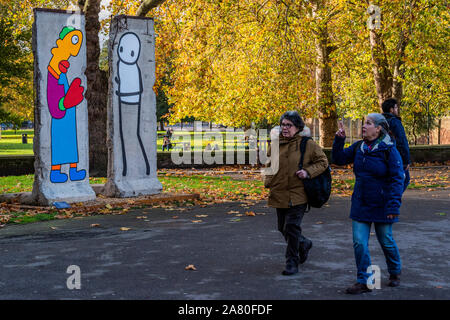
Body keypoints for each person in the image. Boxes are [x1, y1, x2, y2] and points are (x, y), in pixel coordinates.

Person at [332, 113, 404, 294]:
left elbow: (397, 179)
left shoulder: (389, 150)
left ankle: (395, 271)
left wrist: (393, 206)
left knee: (386, 241)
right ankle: (364, 281)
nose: (364, 126)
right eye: (364, 123)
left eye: (368, 123)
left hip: (382, 204)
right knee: (359, 243)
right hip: (361, 203)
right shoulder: (359, 147)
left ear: (378, 128)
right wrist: (339, 139)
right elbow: (339, 159)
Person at [263, 111, 328, 276]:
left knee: (291, 227)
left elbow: (323, 162)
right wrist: (267, 180)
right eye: (283, 125)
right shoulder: (275, 144)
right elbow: (270, 164)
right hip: (279, 192)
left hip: (298, 194)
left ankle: (292, 261)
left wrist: (307, 172)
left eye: (288, 125)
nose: (285, 128)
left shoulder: (308, 144)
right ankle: (303, 243)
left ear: (298, 127)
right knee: (282, 228)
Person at [382, 98, 411, 191]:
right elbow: (402, 141)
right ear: (391, 109)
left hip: (382, 156)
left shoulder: (380, 121)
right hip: (396, 156)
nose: (397, 109)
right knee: (404, 179)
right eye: (396, 107)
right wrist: (406, 160)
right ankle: (392, 200)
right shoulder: (395, 122)